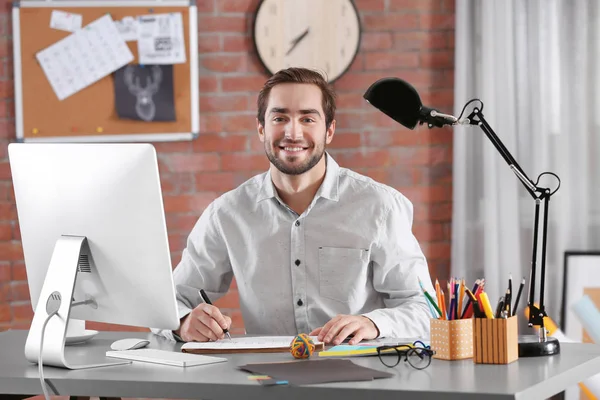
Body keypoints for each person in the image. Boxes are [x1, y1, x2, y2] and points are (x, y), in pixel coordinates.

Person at [154, 67, 436, 346]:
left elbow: (425, 311)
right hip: (264, 381)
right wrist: (183, 321)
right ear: (261, 129)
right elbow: (168, 302)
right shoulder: (227, 214)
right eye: (280, 117)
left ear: (329, 131)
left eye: (308, 119)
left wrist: (374, 323)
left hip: (361, 381)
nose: (293, 132)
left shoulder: (381, 206)